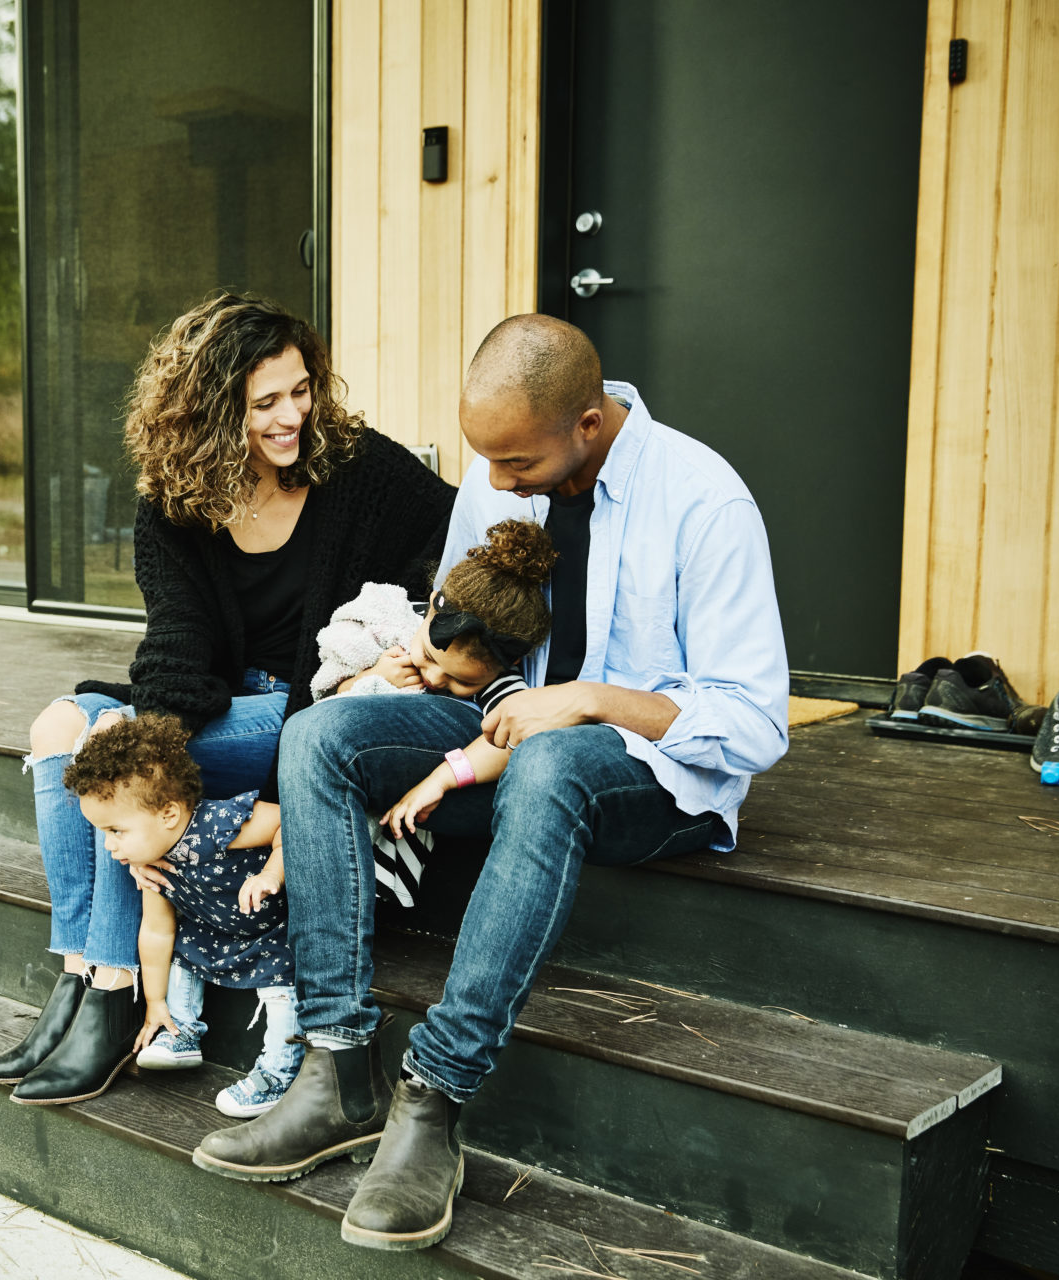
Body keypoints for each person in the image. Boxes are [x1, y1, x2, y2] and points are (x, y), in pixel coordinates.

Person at [192, 314, 790, 1253]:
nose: (497, 484)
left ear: (588, 426)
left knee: (552, 762)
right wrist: (418, 666)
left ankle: (432, 1098)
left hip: (651, 773)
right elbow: (473, 637)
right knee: (320, 734)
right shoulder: (498, 467)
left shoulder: (705, 502)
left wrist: (589, 701)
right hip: (498, 726)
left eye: (514, 465)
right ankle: (339, 1068)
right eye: (488, 461)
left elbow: (755, 724)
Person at [0, 293, 457, 1107]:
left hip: (315, 712)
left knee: (116, 747)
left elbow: (455, 541)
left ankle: (110, 994)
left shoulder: (359, 468)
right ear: (206, 414)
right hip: (226, 702)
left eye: (301, 390)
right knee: (64, 726)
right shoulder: (173, 504)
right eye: (264, 403)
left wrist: (415, 646)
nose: (292, 416)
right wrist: (145, 750)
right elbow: (178, 645)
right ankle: (81, 973)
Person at [310, 519, 556, 907]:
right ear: (430, 607)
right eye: (428, 655)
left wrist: (444, 777)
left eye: (462, 682)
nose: (435, 678)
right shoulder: (394, 625)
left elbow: (513, 739)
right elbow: (328, 694)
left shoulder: (502, 683)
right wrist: (371, 676)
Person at [60, 714, 298, 1115]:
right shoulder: (154, 860)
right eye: (103, 833)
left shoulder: (218, 825)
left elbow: (293, 824)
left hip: (271, 929)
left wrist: (271, 873)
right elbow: (156, 932)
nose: (108, 846)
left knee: (282, 991)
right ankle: (180, 1030)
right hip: (212, 930)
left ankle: (278, 1071)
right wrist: (155, 1002)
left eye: (116, 831)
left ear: (168, 814)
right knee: (183, 953)